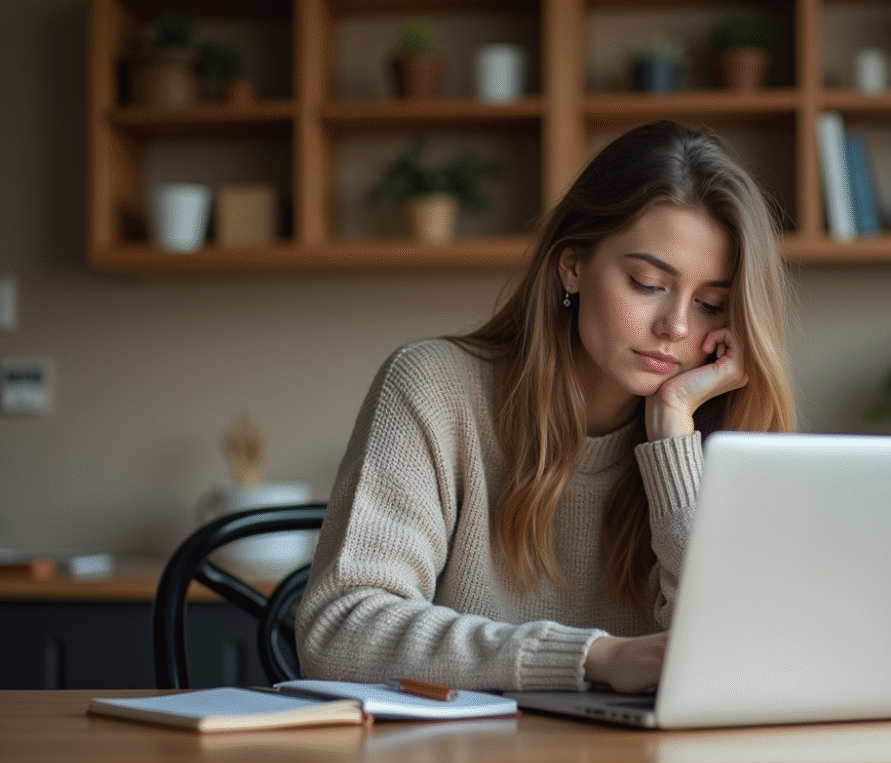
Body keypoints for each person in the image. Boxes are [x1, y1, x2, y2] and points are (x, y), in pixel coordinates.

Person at [296, 120, 796, 694]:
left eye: (711, 304)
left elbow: (739, 659)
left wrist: (673, 442)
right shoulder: (434, 389)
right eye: (646, 283)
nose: (676, 327)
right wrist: (592, 658)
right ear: (573, 265)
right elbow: (338, 632)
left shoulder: (718, 431)